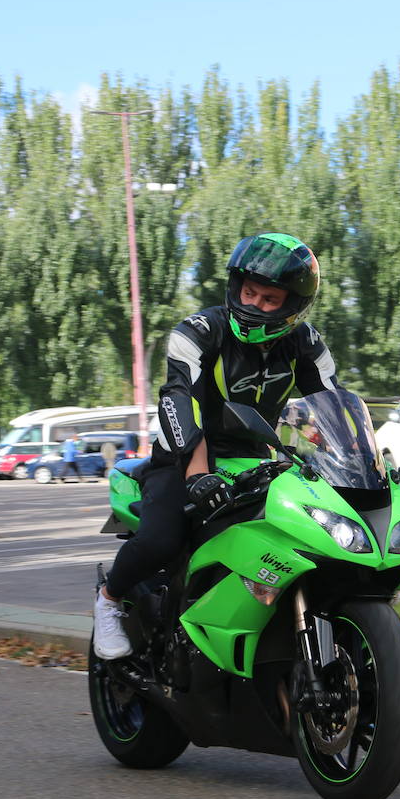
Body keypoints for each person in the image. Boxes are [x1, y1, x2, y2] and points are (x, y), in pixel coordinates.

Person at [93, 232, 341, 659]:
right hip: (184, 459)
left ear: (293, 306)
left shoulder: (306, 344)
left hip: (259, 463)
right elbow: (178, 399)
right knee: (161, 539)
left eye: (269, 299)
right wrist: (198, 475)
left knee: (311, 540)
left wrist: (355, 461)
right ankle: (109, 602)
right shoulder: (198, 333)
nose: (255, 305)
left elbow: (334, 406)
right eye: (249, 292)